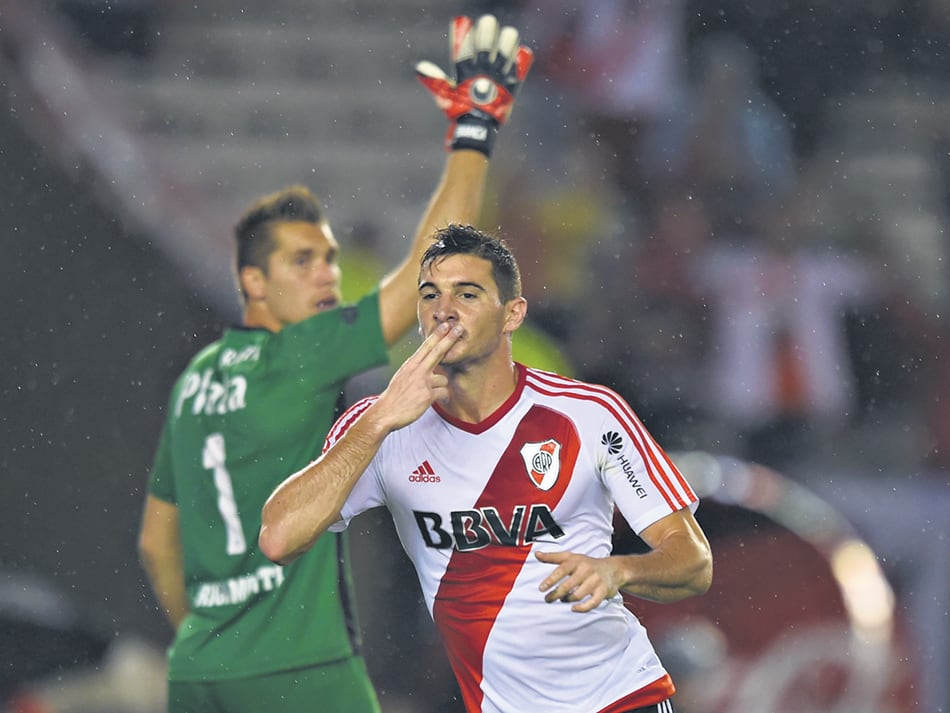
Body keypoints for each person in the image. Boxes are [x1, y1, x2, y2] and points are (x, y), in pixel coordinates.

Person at [137, 15, 533, 713]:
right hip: (301, 667)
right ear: (253, 284)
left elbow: (153, 543)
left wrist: (202, 637)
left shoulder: (193, 384)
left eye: (327, 256)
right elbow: (429, 264)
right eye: (302, 262)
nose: (326, 274)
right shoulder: (302, 356)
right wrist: (474, 131)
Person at [260, 224, 713, 713]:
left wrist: (618, 569)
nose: (444, 310)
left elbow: (693, 563)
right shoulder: (381, 426)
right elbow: (279, 537)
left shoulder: (588, 414)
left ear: (512, 314)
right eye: (430, 294)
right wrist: (380, 420)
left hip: (619, 700)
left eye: (467, 293)